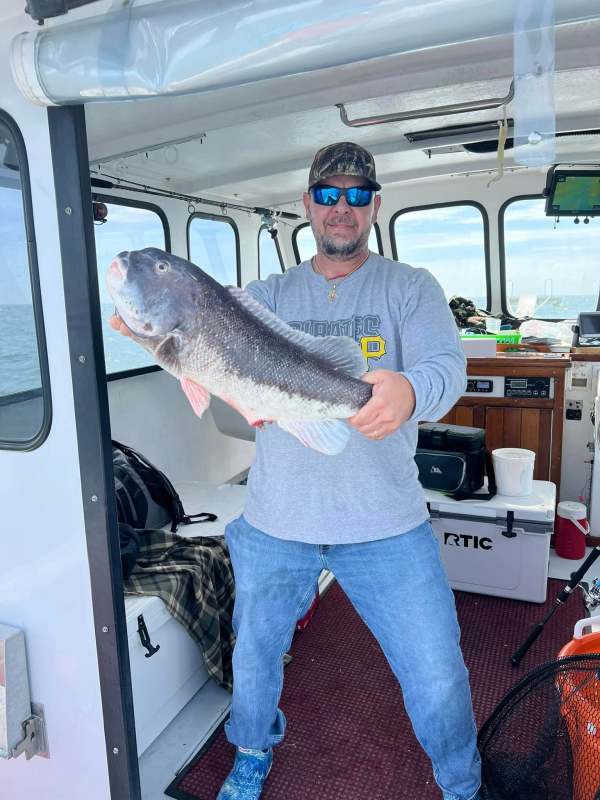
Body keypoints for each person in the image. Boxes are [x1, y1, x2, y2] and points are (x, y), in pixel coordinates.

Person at [110, 141, 482, 800]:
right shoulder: (264, 295)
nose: (343, 208)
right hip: (277, 519)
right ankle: (250, 752)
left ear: (373, 206)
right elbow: (211, 360)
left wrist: (409, 392)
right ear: (308, 203)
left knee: (438, 671)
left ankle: (462, 785)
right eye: (329, 194)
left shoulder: (410, 288)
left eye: (357, 195)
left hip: (387, 523)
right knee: (253, 659)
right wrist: (156, 340)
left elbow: (445, 368)